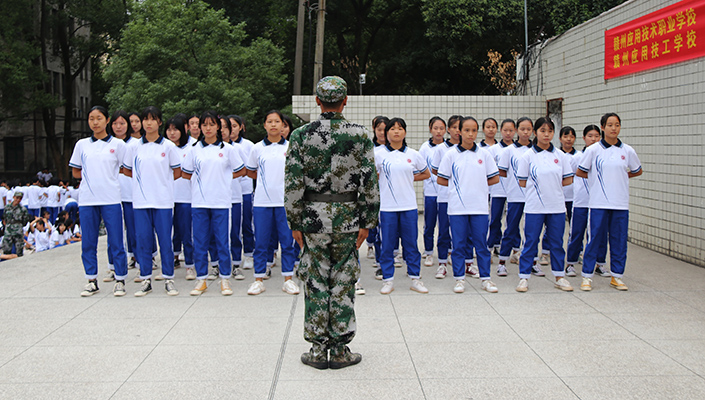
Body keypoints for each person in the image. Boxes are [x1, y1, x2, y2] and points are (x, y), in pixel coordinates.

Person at [285, 76, 379, 370]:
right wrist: (368, 220)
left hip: (312, 219)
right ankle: (339, 351)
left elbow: (292, 183)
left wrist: (294, 221)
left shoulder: (300, 135)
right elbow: (370, 183)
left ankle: (316, 350)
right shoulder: (361, 135)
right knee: (343, 281)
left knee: (315, 281)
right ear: (345, 100)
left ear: (317, 101)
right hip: (349, 219)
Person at [181, 110, 246, 296]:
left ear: (218, 127)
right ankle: (201, 279)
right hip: (200, 202)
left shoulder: (228, 149)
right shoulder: (194, 149)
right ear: (200, 127)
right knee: (200, 241)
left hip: (221, 202)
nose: (208, 128)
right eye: (204, 125)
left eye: (211, 125)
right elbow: (186, 173)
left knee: (222, 241)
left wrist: (223, 178)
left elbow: (240, 171)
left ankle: (225, 279)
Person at [577, 113, 642, 291]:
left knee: (619, 240)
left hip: (620, 203)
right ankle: (587, 276)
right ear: (603, 128)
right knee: (594, 240)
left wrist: (623, 176)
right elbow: (581, 171)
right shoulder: (593, 150)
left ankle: (617, 276)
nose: (614, 128)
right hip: (598, 203)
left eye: (617, 125)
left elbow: (637, 170)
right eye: (610, 125)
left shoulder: (627, 151)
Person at [69, 106, 128, 297]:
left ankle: (120, 279)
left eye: (99, 118)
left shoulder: (118, 145)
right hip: (87, 199)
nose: (95, 122)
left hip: (110, 198)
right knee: (88, 241)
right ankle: (91, 279)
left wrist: (107, 177)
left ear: (107, 120)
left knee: (116, 240)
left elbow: (126, 168)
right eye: (91, 118)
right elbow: (76, 171)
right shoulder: (82, 144)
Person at [122, 106, 181, 297]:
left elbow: (177, 172)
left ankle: (169, 278)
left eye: (152, 119)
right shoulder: (133, 147)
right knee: (143, 241)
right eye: (145, 119)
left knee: (165, 240)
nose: (148, 123)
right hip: (140, 202)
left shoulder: (169, 147)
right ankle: (145, 278)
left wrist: (161, 184)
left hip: (163, 201)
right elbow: (127, 170)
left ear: (159, 122)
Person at [437, 116, 500, 293]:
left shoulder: (484, 154)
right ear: (459, 132)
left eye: (474, 130)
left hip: (479, 207)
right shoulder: (450, 155)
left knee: (481, 244)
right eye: (466, 130)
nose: (470, 134)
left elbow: (494, 177)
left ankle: (486, 278)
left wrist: (476, 186)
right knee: (458, 244)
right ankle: (459, 279)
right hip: (457, 208)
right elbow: (442, 179)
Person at [515, 117, 574, 293]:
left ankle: (559, 276)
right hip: (534, 207)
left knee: (556, 242)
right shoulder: (527, 156)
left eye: (549, 131)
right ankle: (524, 277)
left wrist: (551, 189)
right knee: (531, 242)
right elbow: (522, 181)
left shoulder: (560, 156)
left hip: (556, 206)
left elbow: (568, 179)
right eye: (542, 131)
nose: (546, 134)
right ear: (535, 132)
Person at [245, 110, 298, 296]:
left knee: (287, 242)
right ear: (265, 125)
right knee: (261, 242)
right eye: (270, 121)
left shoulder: (291, 147)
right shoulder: (257, 148)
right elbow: (251, 171)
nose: (274, 125)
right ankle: (258, 279)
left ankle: (288, 279)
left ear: (284, 125)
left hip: (284, 203)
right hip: (262, 202)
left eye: (278, 122)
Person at [375, 117, 430, 295]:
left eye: (400, 128)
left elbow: (425, 173)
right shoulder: (378, 153)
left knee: (411, 244)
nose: (396, 132)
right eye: (392, 129)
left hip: (408, 206)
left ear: (405, 132)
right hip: (387, 207)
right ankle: (388, 279)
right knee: (387, 245)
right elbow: (372, 176)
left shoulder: (413, 154)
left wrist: (406, 178)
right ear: (386, 133)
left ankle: (415, 278)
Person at [565, 125, 607, 277]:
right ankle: (571, 263)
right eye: (590, 136)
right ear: (583, 138)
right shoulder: (577, 157)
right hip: (581, 201)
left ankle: (599, 263)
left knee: (599, 234)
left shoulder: (603, 156)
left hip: (599, 202)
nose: (594, 139)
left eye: (596, 136)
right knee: (577, 233)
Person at [497, 117, 534, 273]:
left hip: (533, 197)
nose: (525, 132)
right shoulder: (509, 151)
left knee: (532, 231)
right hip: (515, 196)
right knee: (511, 229)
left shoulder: (536, 150)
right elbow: (502, 171)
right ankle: (502, 262)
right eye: (522, 129)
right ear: (517, 130)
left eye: (528, 129)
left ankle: (532, 262)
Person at [165, 117, 196, 280]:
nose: (172, 133)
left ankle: (190, 265)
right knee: (170, 233)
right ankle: (173, 259)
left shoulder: (193, 146)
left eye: (175, 129)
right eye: (169, 129)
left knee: (186, 232)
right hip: (167, 197)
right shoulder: (164, 146)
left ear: (184, 128)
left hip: (186, 197)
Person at [487, 119, 515, 272]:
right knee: (495, 219)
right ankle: (490, 248)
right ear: (501, 131)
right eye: (505, 130)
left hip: (514, 192)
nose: (508, 133)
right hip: (497, 190)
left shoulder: (518, 149)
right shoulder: (494, 150)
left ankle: (515, 250)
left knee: (513, 222)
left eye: (511, 130)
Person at [229, 115, 256, 270]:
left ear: (241, 127)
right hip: (229, 191)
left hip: (245, 190)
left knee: (246, 223)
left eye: (234, 126)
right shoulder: (223, 146)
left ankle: (249, 254)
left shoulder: (248, 145)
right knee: (233, 227)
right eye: (228, 126)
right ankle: (233, 256)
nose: (231, 129)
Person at [418, 117, 445, 268]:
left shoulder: (449, 148)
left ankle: (445, 251)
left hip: (445, 193)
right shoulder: (425, 148)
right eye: (436, 128)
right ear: (430, 129)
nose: (439, 131)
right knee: (429, 224)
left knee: (445, 225)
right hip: (430, 192)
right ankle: (428, 252)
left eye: (441, 128)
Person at [2, 192, 33, 257]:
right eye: (17, 198)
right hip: (8, 229)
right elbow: (4, 218)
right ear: (13, 197)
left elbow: (25, 221)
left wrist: (19, 225)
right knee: (6, 248)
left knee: (19, 249)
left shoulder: (23, 209)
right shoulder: (7, 207)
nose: (18, 200)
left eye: (20, 198)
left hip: (18, 230)